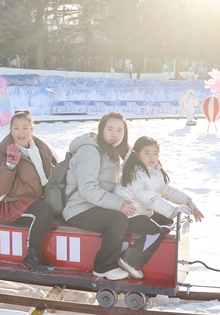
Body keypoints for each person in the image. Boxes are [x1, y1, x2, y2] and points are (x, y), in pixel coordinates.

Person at [115, 136, 204, 278]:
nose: (152, 157)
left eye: (155, 153)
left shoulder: (153, 170)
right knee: (154, 231)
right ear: (137, 155)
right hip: (128, 213)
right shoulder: (136, 173)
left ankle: (154, 249)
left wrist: (188, 201)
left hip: (141, 210)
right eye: (147, 153)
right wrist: (173, 210)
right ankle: (129, 260)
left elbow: (166, 190)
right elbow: (150, 198)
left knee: (167, 221)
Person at [62, 112, 137, 280]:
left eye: (120, 130)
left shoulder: (112, 151)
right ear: (101, 130)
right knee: (118, 219)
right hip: (79, 208)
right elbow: (88, 189)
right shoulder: (90, 150)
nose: (114, 134)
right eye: (110, 129)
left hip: (96, 206)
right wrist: (119, 204)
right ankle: (103, 266)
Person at [0, 111, 57, 273]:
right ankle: (32, 256)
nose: (21, 132)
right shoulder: (3, 153)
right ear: (10, 130)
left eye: (25, 127)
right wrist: (10, 166)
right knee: (43, 211)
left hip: (34, 199)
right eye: (16, 128)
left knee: (53, 208)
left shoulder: (40, 149)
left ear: (32, 129)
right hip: (11, 202)